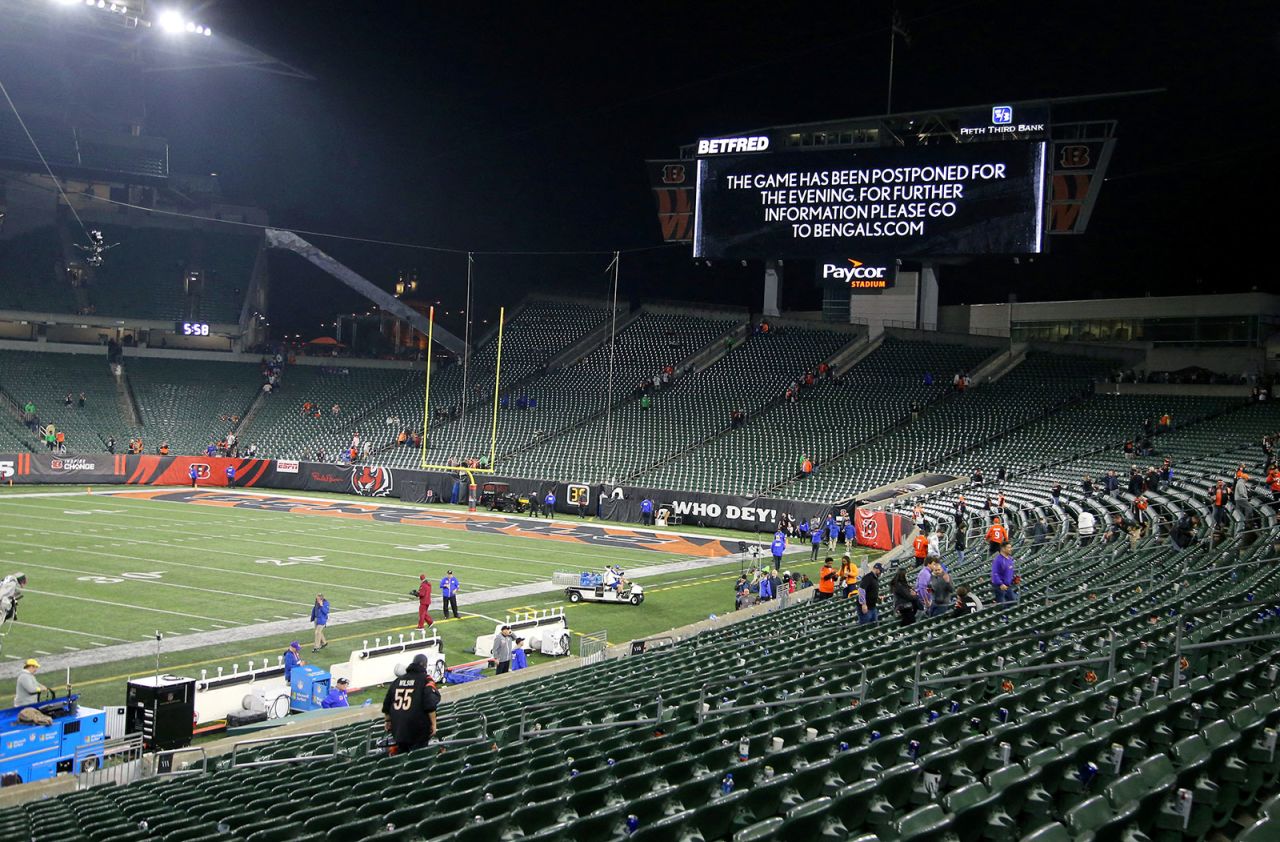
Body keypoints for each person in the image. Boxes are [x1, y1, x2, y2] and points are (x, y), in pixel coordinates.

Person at [381, 653, 439, 754]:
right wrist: (433, 724)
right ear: (424, 665)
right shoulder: (426, 680)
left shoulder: (397, 681)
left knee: (402, 757)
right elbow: (430, 704)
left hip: (398, 729)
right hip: (418, 730)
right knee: (417, 758)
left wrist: (388, 721)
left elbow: (387, 705)